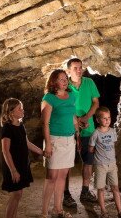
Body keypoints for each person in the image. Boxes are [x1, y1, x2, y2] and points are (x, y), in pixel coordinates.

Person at [41, 69, 80, 218]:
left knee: (63, 176)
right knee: (52, 176)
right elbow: (45, 123)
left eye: (66, 79)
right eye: (61, 79)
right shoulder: (49, 98)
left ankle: (57, 209)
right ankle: (44, 212)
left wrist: (77, 133)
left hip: (69, 140)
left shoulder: (71, 96)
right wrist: (48, 144)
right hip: (55, 140)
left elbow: (73, 116)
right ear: (53, 82)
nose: (65, 81)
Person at [63, 58, 100, 207]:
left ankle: (85, 191)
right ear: (68, 71)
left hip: (88, 128)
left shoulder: (89, 83)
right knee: (66, 163)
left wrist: (86, 117)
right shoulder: (65, 85)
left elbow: (96, 102)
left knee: (88, 160)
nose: (79, 70)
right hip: (69, 129)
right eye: (75, 68)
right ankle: (66, 194)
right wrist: (75, 120)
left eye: (80, 68)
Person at [1, 98, 43, 218]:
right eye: (19, 108)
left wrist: (41, 151)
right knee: (16, 194)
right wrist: (13, 171)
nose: (22, 110)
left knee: (18, 194)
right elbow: (5, 150)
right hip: (12, 165)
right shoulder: (7, 128)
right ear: (11, 112)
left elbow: (27, 143)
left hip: (22, 163)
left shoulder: (20, 125)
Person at [89, 107, 121, 218]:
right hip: (100, 164)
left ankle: (120, 211)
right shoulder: (95, 133)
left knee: (115, 187)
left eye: (109, 118)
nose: (107, 120)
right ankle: (103, 211)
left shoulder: (112, 131)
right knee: (101, 188)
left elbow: (112, 145)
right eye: (104, 118)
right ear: (97, 120)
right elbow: (91, 149)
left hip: (112, 164)